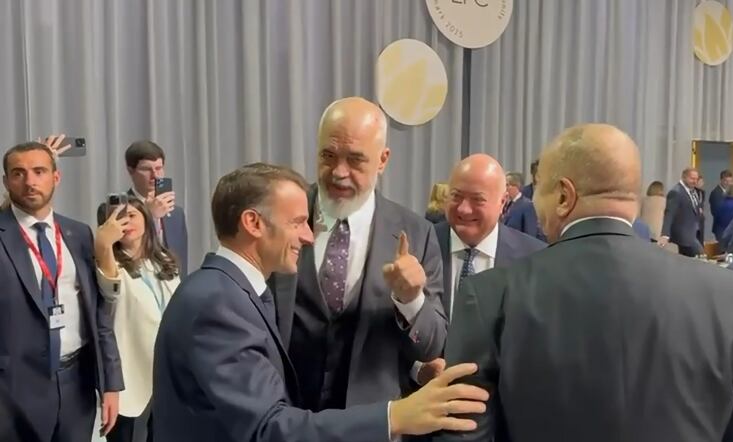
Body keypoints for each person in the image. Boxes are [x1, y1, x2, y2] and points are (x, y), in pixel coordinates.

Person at [435, 124, 733, 441]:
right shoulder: (731, 296)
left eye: (539, 191)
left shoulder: (491, 295)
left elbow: (463, 435)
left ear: (564, 196)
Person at [152, 163, 488, 442]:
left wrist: (414, 371)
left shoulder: (232, 292)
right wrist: (394, 416)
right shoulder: (218, 304)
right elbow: (268, 428)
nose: (309, 236)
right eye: (298, 222)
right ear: (253, 223)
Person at [269, 97, 447, 411]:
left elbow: (433, 345)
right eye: (328, 155)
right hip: (283, 417)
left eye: (355, 160)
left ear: (382, 160)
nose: (339, 172)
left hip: (370, 423)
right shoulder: (281, 214)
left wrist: (412, 300)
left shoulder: (417, 233)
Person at [0, 141, 123, 442]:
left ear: (56, 177)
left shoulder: (79, 233)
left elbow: (98, 316)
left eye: (39, 171)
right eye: (18, 173)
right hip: (12, 392)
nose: (29, 181)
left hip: (76, 386)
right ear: (6, 182)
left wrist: (110, 384)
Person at [414, 154, 546, 386]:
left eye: (477, 199)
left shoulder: (535, 259)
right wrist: (417, 369)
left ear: (503, 202)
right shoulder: (419, 246)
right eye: (456, 196)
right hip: (423, 400)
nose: (464, 209)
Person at [95, 198, 181, 442]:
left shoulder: (163, 260)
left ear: (146, 217)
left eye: (131, 214)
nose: (126, 221)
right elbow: (109, 285)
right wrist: (103, 245)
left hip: (166, 373)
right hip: (130, 377)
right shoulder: (109, 265)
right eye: (117, 217)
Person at [97, 141, 189, 276]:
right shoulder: (116, 209)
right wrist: (149, 215)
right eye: (147, 169)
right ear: (130, 170)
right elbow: (115, 255)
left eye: (159, 168)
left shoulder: (176, 213)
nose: (155, 176)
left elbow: (181, 261)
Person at [658, 168, 704, 256]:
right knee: (700, 256)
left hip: (692, 235)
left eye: (696, 179)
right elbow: (669, 214)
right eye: (692, 178)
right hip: (682, 238)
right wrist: (665, 235)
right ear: (684, 177)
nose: (695, 181)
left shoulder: (693, 192)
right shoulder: (676, 192)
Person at [501, 172, 542, 239]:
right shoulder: (509, 204)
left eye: (507, 185)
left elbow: (530, 234)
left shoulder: (527, 205)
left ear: (516, 186)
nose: (505, 188)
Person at [709, 169, 733, 239]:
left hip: (729, 227)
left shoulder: (729, 192)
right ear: (721, 180)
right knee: (722, 248)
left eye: (730, 181)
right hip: (721, 227)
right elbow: (715, 211)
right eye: (726, 181)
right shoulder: (716, 193)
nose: (728, 183)